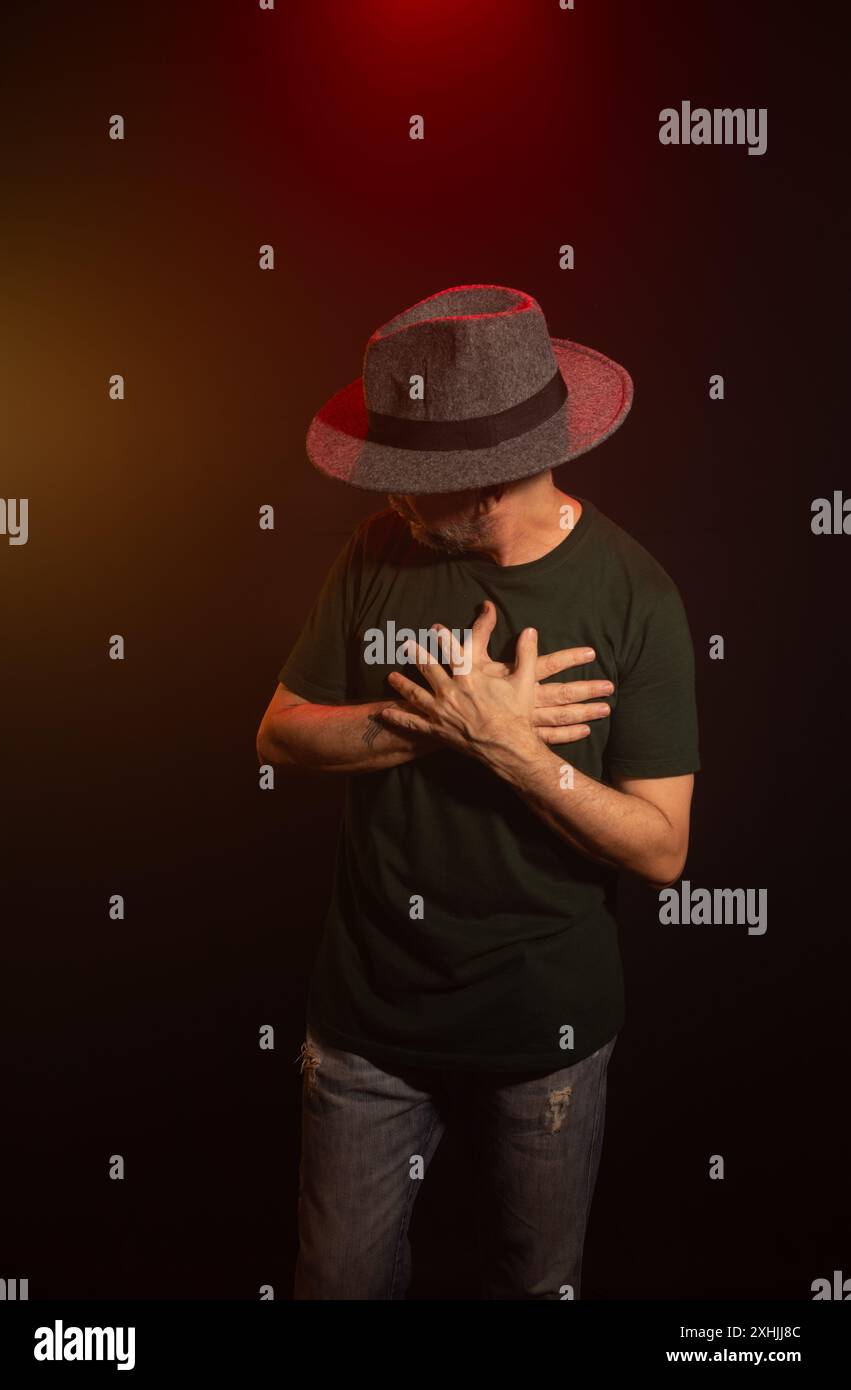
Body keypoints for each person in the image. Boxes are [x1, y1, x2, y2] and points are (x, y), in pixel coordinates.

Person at [256, 284, 700, 1299]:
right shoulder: (379, 550)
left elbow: (663, 847)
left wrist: (512, 750)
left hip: (543, 1034)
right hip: (368, 1024)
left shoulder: (639, 598)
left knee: (536, 1285)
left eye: (414, 482)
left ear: (490, 482)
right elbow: (279, 731)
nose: (393, 499)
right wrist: (437, 723)